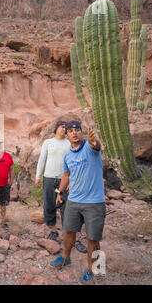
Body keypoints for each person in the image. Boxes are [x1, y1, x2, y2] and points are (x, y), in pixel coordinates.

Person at [50, 121, 106, 284]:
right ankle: (65, 257)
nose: (74, 133)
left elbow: (96, 145)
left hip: (94, 203)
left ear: (81, 133)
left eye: (77, 130)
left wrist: (94, 141)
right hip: (74, 201)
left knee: (93, 239)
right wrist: (59, 192)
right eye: (71, 131)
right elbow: (66, 175)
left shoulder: (90, 148)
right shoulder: (68, 155)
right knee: (68, 231)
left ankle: (92, 269)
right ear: (66, 135)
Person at [35, 121, 87, 253]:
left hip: (66, 180)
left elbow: (75, 162)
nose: (64, 129)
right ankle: (53, 231)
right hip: (49, 178)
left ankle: (69, 234)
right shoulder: (48, 142)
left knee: (67, 207)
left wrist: (72, 181)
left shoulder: (70, 143)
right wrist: (37, 176)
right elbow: (42, 159)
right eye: (62, 127)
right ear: (56, 128)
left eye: (66, 128)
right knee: (49, 205)